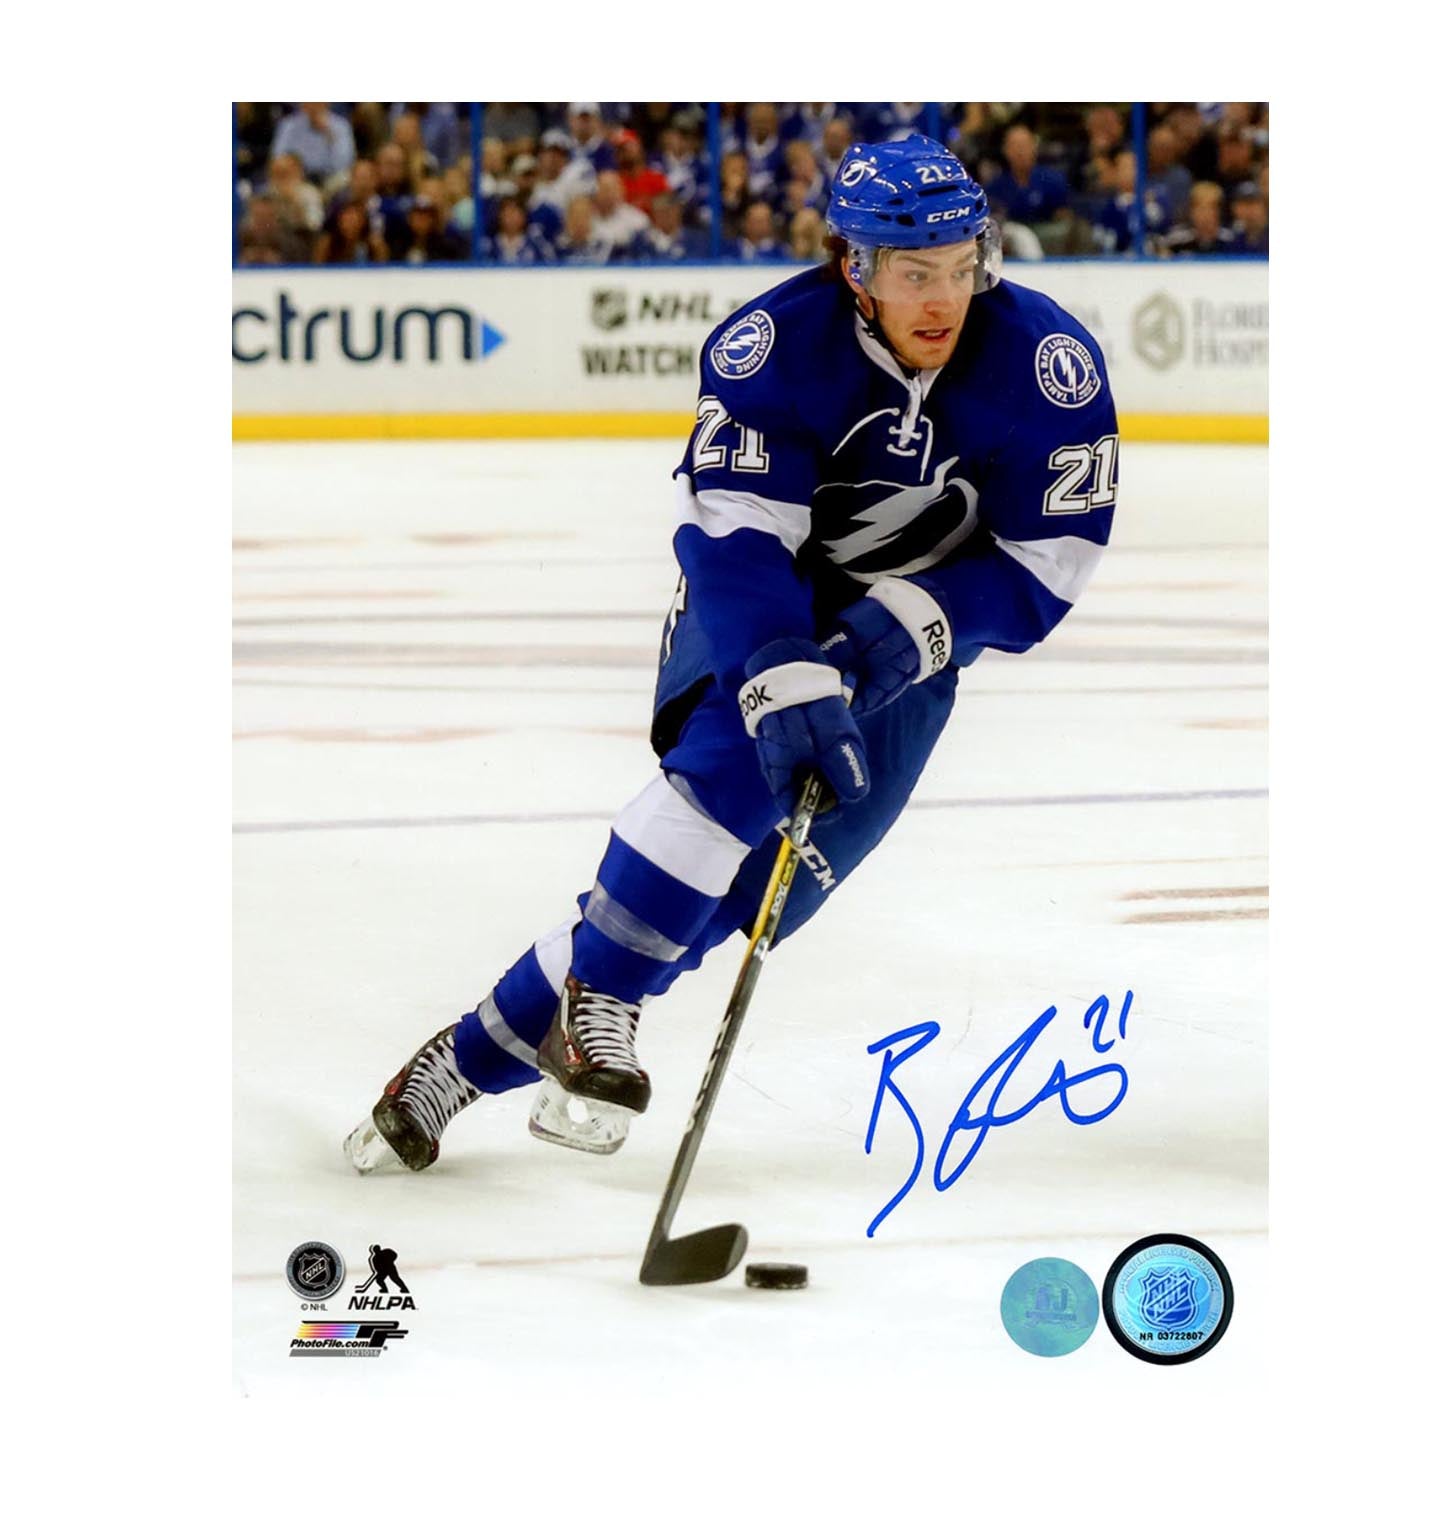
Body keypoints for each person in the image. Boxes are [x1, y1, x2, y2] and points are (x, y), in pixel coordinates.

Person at [345, 134, 1119, 1175]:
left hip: (921, 645)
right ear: (855, 267)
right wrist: (784, 665)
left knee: (724, 907)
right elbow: (738, 532)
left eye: (960, 267)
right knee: (736, 772)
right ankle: (600, 999)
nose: (944, 298)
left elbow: (1049, 554)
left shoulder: (1045, 364)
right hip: (762, 601)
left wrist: (912, 627)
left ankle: (463, 1059)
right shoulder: (773, 346)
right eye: (913, 273)